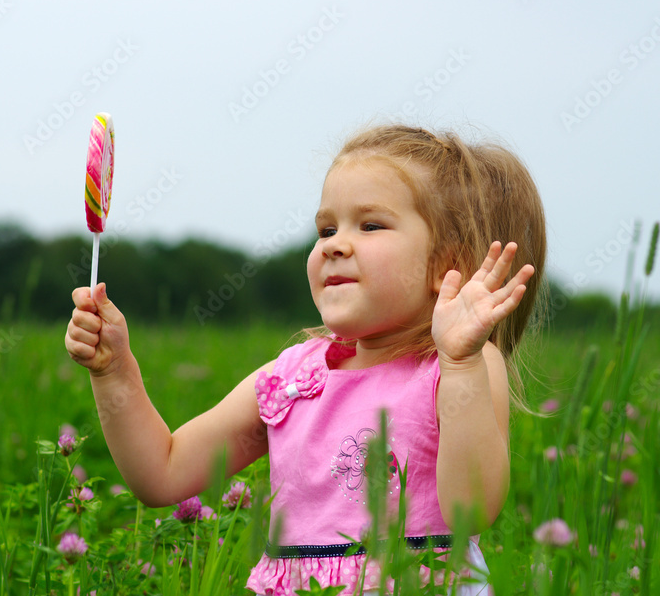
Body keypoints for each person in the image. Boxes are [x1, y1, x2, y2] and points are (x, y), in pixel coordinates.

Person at [65, 123, 547, 595]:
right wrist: (114, 371)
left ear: (446, 266)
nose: (334, 244)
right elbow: (162, 473)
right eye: (326, 228)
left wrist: (460, 364)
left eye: (371, 225)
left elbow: (472, 510)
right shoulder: (291, 380)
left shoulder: (457, 367)